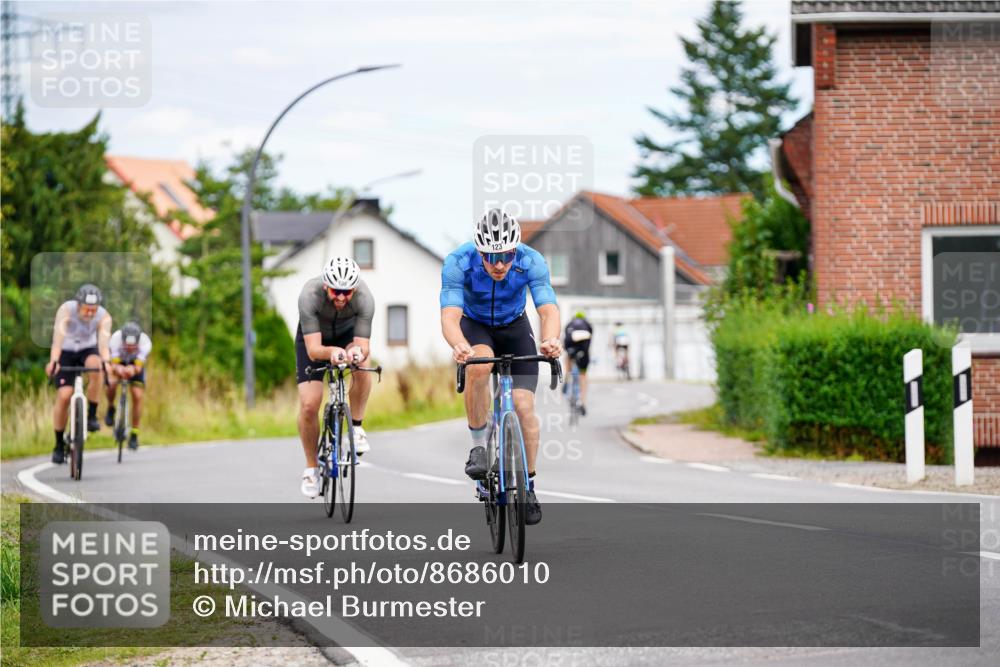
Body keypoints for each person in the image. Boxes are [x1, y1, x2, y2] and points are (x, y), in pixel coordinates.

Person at [439, 208, 562, 525]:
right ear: (478, 250)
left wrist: (549, 340)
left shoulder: (531, 260)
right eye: (491, 257)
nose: (499, 265)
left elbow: (547, 309)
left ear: (515, 249)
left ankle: (529, 486)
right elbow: (450, 316)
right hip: (476, 326)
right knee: (478, 366)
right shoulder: (458, 262)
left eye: (506, 256)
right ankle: (479, 449)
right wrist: (459, 345)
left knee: (524, 406)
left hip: (515, 326)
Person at [296, 256, 376, 499]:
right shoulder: (309, 295)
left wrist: (354, 352)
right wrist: (332, 353)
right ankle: (311, 468)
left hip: (347, 336)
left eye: (347, 292)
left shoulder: (364, 298)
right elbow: (313, 350)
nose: (341, 297)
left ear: (354, 288)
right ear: (325, 286)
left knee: (361, 363)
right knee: (309, 405)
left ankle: (357, 427)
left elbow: (363, 345)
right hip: (314, 340)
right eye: (336, 291)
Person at [45, 284, 112, 464]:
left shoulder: (104, 316)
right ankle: (59, 444)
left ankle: (91, 414)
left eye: (94, 309)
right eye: (87, 309)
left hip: (87, 349)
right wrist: (54, 361)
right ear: (78, 304)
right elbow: (57, 341)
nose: (90, 313)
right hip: (66, 351)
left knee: (96, 365)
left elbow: (103, 346)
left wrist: (106, 363)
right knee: (64, 395)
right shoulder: (66, 310)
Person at [104, 321, 152, 450]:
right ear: (122, 339)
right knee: (111, 384)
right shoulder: (115, 339)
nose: (130, 348)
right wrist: (119, 369)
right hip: (118, 362)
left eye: (133, 346)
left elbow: (138, 366)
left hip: (134, 364)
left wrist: (132, 370)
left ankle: (134, 434)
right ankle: (110, 407)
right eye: (127, 345)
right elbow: (113, 364)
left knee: (137, 395)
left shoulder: (145, 342)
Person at [563, 311, 593, 415]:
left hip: (570, 346)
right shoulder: (587, 325)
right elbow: (589, 342)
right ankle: (583, 401)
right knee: (583, 376)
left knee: (568, 361)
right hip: (583, 350)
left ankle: (566, 380)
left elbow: (565, 340)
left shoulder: (570, 324)